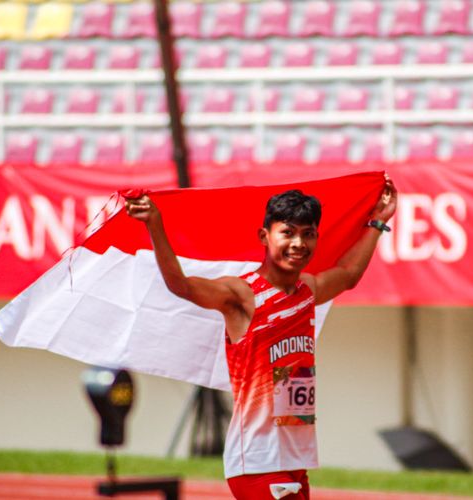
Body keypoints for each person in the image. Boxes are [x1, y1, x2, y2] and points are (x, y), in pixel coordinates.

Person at [124, 177, 397, 500]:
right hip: (258, 461)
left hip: (295, 459)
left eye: (308, 234)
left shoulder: (308, 290)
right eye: (288, 233)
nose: (298, 243)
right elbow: (181, 285)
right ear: (264, 237)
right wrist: (154, 224)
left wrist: (378, 221)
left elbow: (349, 274)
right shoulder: (242, 295)